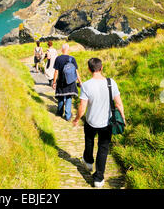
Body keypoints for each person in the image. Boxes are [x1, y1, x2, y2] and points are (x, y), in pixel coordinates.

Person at [73, 57, 126, 188]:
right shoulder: (111, 82)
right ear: (101, 68)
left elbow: (82, 107)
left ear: (89, 69)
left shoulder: (86, 85)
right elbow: (118, 103)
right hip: (107, 123)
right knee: (103, 149)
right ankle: (98, 178)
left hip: (90, 121)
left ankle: (89, 162)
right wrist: (123, 118)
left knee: (89, 141)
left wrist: (76, 119)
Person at [52, 43, 82, 121]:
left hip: (61, 81)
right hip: (71, 82)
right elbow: (76, 72)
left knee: (61, 97)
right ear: (68, 50)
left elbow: (56, 72)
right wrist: (80, 81)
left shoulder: (58, 59)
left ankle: (59, 112)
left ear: (62, 50)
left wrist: (54, 82)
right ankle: (68, 116)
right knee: (69, 97)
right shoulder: (72, 59)